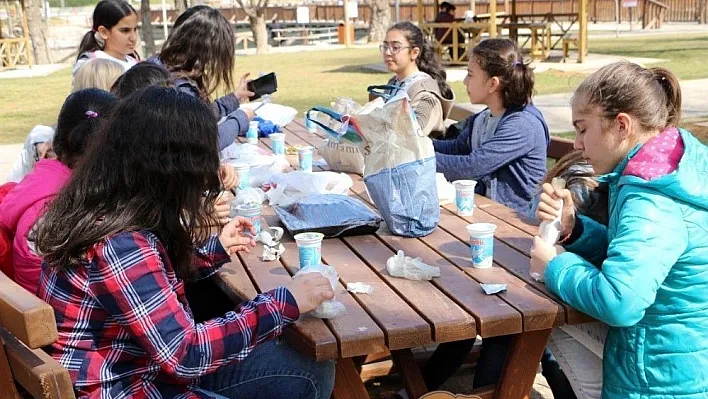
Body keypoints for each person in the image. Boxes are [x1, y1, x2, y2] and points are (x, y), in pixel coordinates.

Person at [35, 87, 336, 399]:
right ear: (174, 169)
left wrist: (213, 252)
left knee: (310, 364)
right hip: (133, 388)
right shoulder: (121, 245)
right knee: (307, 364)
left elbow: (146, 288)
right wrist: (286, 302)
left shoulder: (101, 207)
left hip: (140, 373)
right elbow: (186, 354)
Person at [531, 61, 708, 399]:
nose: (577, 144)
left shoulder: (652, 198)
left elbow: (621, 302)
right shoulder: (662, 171)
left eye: (582, 129)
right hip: (670, 356)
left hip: (659, 380)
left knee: (545, 317)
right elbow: (631, 257)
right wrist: (574, 229)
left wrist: (555, 265)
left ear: (622, 125)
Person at [0, 89, 117, 295]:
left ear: (57, 139)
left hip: (36, 305)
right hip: (58, 317)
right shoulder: (70, 206)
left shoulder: (40, 181)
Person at [434, 38, 549, 216]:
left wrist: (419, 158)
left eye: (470, 74)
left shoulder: (522, 125)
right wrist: (416, 144)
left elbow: (471, 167)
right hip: (486, 211)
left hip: (516, 224)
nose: (465, 81)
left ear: (492, 84)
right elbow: (456, 148)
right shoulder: (484, 118)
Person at [153, 6, 254, 150]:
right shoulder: (176, 87)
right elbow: (203, 144)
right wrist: (240, 119)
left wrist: (235, 98)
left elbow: (197, 117)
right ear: (204, 49)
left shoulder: (160, 65)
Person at [380, 21, 455, 139]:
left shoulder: (425, 94)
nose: (387, 52)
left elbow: (413, 135)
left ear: (414, 53)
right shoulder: (394, 83)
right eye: (385, 46)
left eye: (395, 47)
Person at [73, 0, 139, 77]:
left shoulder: (137, 64)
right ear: (104, 32)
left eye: (135, 29)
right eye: (125, 30)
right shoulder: (91, 66)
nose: (133, 37)